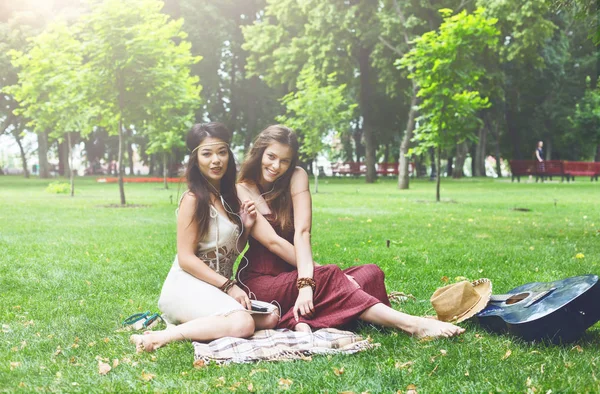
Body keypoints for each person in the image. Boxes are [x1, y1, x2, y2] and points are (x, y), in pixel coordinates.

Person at [235, 125, 464, 339]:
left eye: (284, 161)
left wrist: (308, 280)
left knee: (371, 273)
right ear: (259, 153)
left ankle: (300, 318)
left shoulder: (297, 176)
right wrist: (310, 280)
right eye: (271, 157)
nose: (276, 166)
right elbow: (273, 242)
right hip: (261, 282)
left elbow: (303, 232)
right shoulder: (241, 189)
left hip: (297, 272)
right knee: (331, 276)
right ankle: (412, 325)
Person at [131, 123, 279, 352]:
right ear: (195, 159)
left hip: (214, 287)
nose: (216, 160)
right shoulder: (193, 199)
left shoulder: (228, 198)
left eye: (221, 152)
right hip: (186, 286)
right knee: (244, 322)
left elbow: (228, 253)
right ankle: (163, 336)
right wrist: (230, 286)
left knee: (270, 316)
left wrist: (246, 227)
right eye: (207, 153)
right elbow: (186, 259)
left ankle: (204, 324)